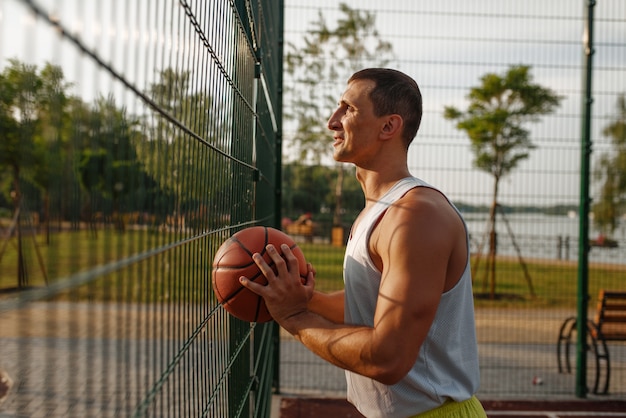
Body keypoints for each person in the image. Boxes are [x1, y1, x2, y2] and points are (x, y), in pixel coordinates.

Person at [240, 68, 486, 418]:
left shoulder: (415, 215)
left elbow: (388, 358)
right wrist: (309, 299)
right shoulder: (379, 210)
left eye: (348, 110)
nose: (332, 122)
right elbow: (376, 300)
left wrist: (295, 317)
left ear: (389, 126)